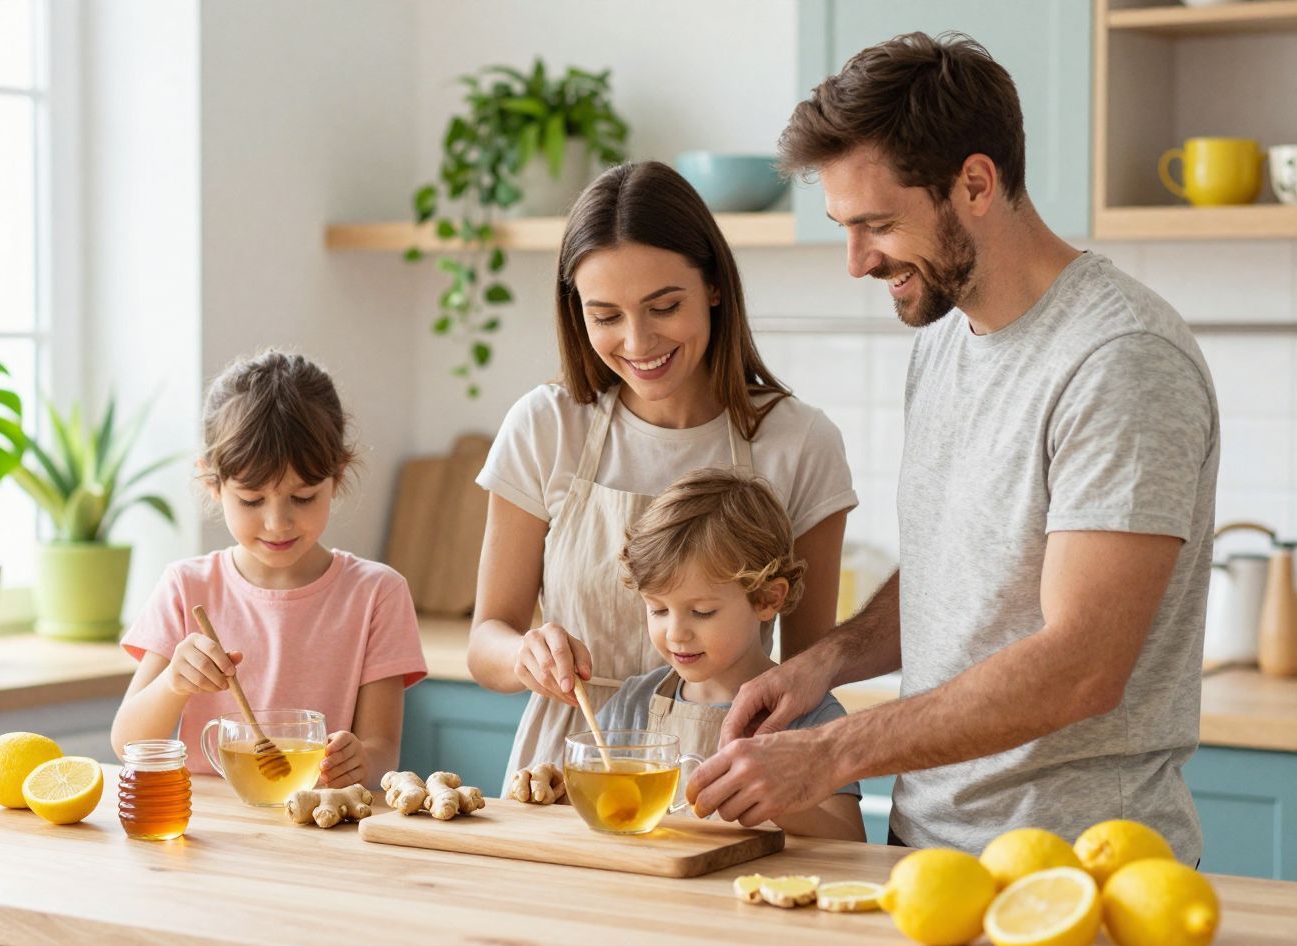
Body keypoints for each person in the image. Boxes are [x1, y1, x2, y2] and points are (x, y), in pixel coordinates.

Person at [689, 33, 1219, 865]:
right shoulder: (944, 337)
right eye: (845, 228)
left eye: (878, 225)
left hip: (1078, 866)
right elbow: (960, 577)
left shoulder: (1120, 359)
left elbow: (1082, 667)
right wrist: (825, 663)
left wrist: (832, 751)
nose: (858, 262)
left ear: (976, 183)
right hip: (926, 853)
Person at [468, 161, 858, 794]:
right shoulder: (546, 426)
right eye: (606, 316)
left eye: (665, 306)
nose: (637, 341)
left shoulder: (800, 442)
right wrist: (524, 655)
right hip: (567, 769)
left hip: (726, 773)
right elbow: (487, 638)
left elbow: (809, 668)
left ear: (714, 286)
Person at [112, 349, 427, 788]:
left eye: (303, 497)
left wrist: (360, 762)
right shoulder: (186, 586)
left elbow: (381, 753)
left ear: (337, 476)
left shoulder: (377, 593)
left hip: (316, 819)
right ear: (212, 482)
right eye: (252, 500)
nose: (278, 523)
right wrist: (174, 684)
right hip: (209, 824)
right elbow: (127, 744)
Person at [595, 468, 864, 840]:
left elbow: (850, 839)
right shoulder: (632, 704)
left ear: (767, 599)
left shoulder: (811, 716)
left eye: (702, 612)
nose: (675, 633)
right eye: (658, 609)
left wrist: (780, 801)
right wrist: (555, 787)